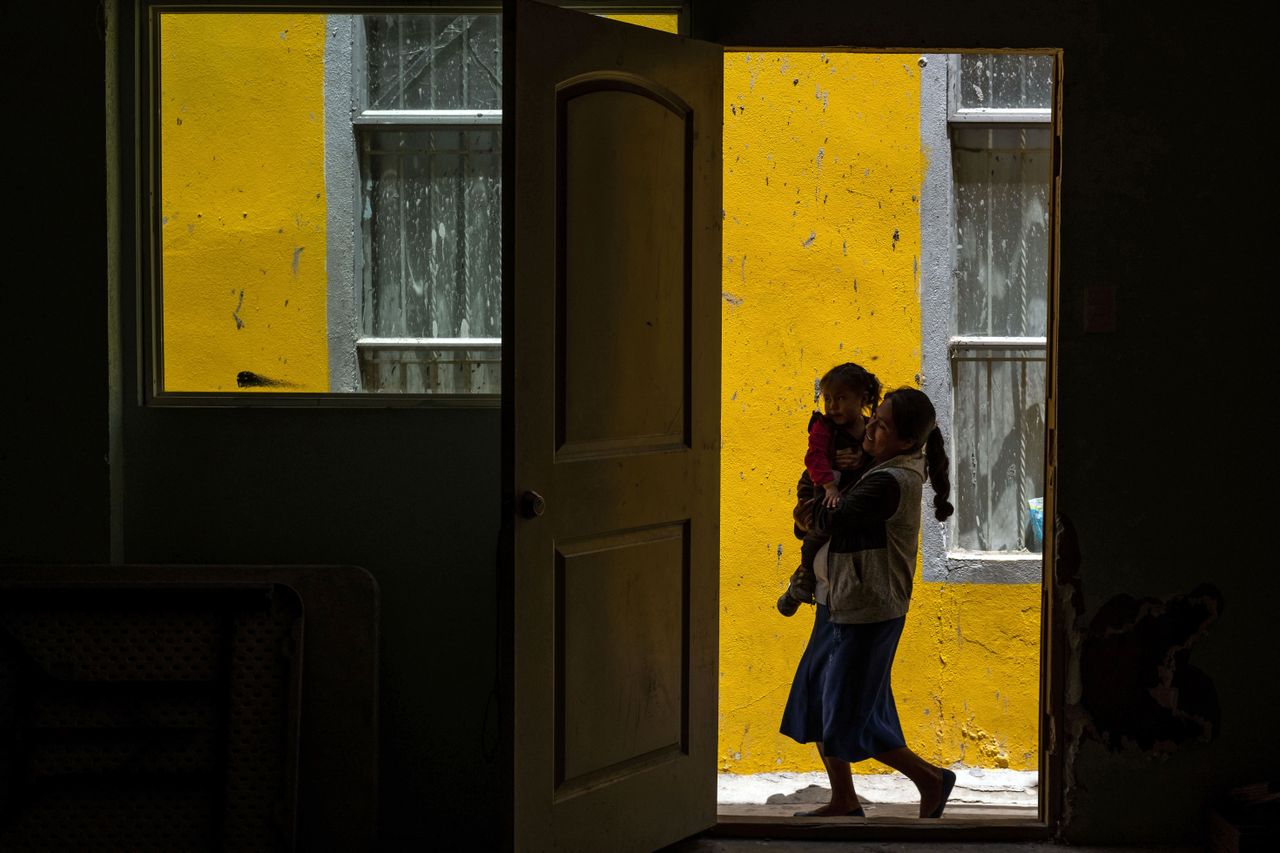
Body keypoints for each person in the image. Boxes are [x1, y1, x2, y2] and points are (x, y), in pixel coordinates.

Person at [779, 387, 959, 818]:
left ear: (906, 441)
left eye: (882, 425)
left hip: (865, 612)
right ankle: (844, 798)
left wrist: (804, 508)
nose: (869, 428)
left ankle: (931, 779)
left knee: (850, 714)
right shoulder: (876, 466)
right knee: (822, 700)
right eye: (874, 419)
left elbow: (825, 518)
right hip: (837, 602)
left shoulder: (889, 480)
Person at [777, 363, 882, 617]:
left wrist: (863, 459)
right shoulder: (825, 430)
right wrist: (813, 502)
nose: (832, 405)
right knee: (815, 536)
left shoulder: (874, 431)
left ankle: (802, 581)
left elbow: (885, 465)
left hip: (856, 521)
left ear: (862, 399)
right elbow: (812, 464)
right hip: (823, 495)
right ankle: (802, 580)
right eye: (828, 399)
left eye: (841, 398)